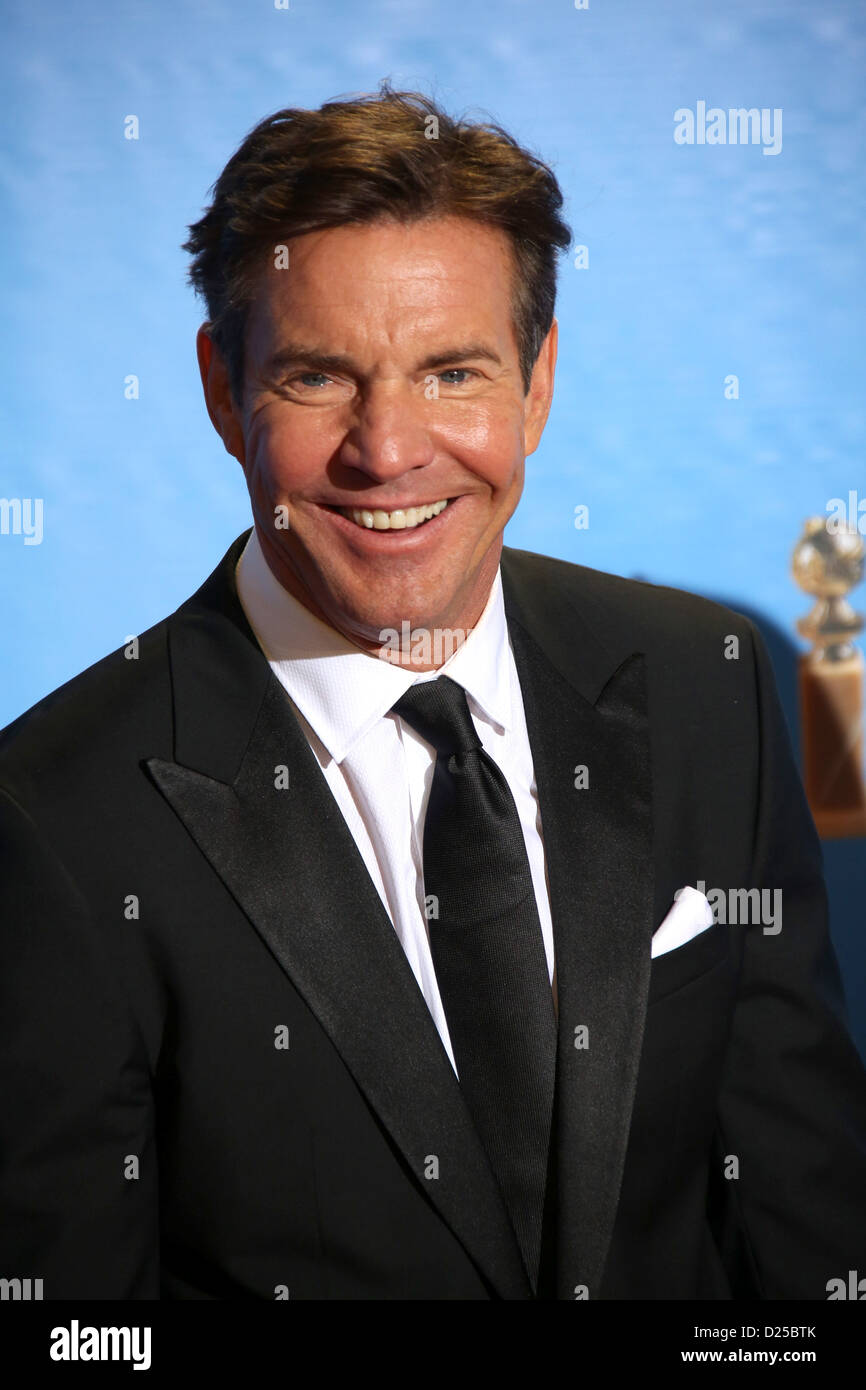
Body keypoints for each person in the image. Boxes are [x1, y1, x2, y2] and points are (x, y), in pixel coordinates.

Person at [1, 83, 865, 1302]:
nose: (390, 450)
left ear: (538, 380)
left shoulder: (702, 685)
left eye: (453, 371)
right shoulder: (52, 818)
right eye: (317, 378)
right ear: (217, 389)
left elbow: (800, 1210)